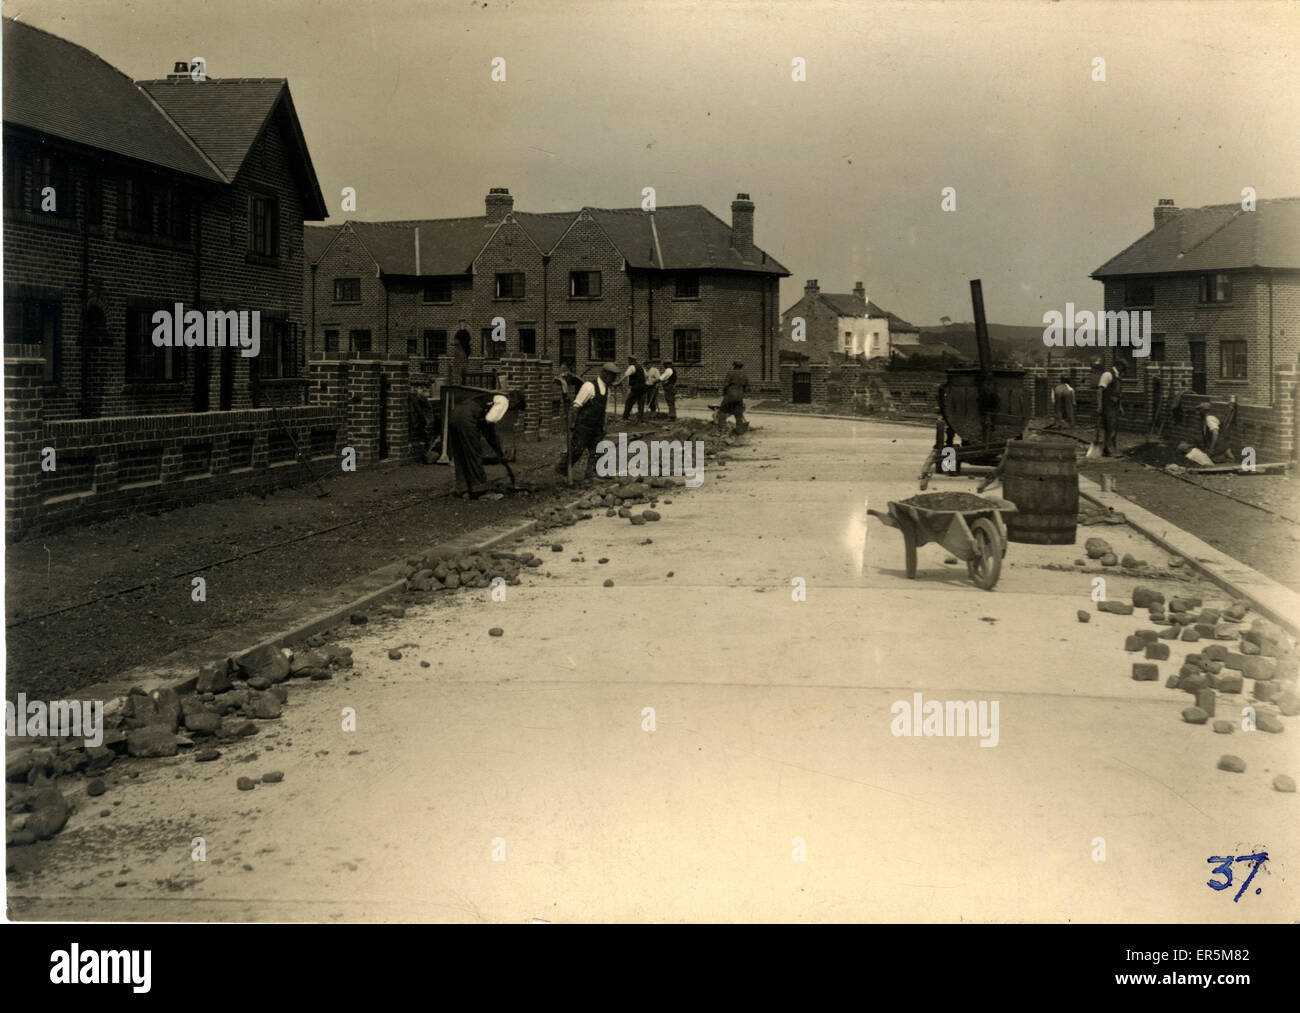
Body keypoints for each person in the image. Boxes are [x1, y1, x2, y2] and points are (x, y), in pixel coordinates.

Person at [448, 388, 523, 498]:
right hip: (467, 418)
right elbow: (489, 423)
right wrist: (498, 450)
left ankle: (463, 489)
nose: (511, 410)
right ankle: (480, 490)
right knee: (474, 454)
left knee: (460, 454)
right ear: (515, 401)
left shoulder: (491, 397)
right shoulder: (503, 401)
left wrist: (497, 449)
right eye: (515, 408)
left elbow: (486, 426)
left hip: (454, 414)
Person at [558, 361, 619, 480]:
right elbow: (576, 406)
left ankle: (592, 473)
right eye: (613, 376)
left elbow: (604, 410)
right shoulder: (589, 386)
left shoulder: (607, 389)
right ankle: (561, 469)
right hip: (584, 425)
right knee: (577, 449)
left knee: (597, 450)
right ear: (605, 374)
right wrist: (572, 424)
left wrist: (604, 425)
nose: (614, 379)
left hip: (597, 426)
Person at [1094, 359, 1125, 457]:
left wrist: (1120, 406)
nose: (1124, 371)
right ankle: (1108, 449)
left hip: (1114, 405)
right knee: (1110, 427)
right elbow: (1099, 391)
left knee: (1114, 427)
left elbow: (1118, 394)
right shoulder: (1108, 374)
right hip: (1107, 405)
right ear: (1119, 365)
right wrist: (1099, 406)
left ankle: (1110, 448)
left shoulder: (1118, 377)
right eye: (1123, 368)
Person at [716, 360, 749, 435]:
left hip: (730, 395)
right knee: (738, 414)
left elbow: (726, 384)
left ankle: (721, 430)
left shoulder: (730, 373)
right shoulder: (744, 374)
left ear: (734, 366)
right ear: (741, 366)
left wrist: (724, 393)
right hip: (740, 396)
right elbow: (747, 387)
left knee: (722, 411)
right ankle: (739, 431)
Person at [621, 356, 648, 422]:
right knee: (641, 404)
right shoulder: (641, 367)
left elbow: (625, 375)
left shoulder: (632, 367)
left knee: (629, 402)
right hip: (643, 388)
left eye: (629, 360)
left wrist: (618, 382)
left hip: (636, 388)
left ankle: (625, 417)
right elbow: (646, 376)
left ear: (631, 360)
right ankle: (641, 419)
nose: (628, 362)